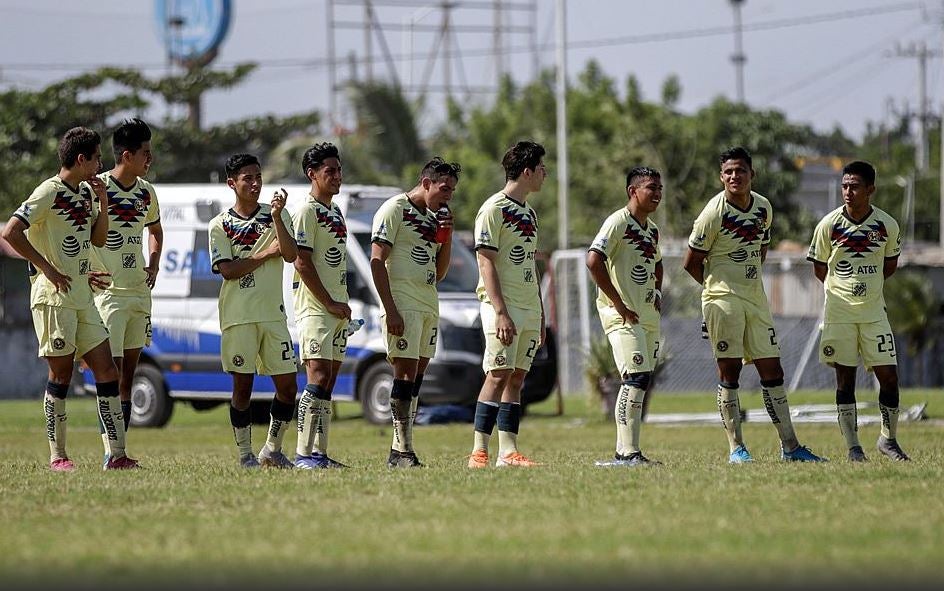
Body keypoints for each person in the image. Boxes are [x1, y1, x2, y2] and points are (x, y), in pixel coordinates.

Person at [2, 126, 137, 470]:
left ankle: (116, 455)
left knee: (107, 370)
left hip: (83, 297)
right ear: (82, 159)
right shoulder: (48, 191)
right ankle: (58, 456)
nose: (100, 165)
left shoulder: (88, 193)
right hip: (53, 298)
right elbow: (11, 232)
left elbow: (99, 240)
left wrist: (104, 202)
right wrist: (45, 267)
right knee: (61, 376)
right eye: (97, 159)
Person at [682, 146, 826, 463]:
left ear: (752, 174)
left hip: (756, 300)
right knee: (729, 371)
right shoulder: (713, 213)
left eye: (741, 170)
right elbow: (691, 262)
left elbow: (761, 248)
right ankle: (736, 448)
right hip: (723, 300)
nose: (735, 176)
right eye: (729, 172)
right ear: (721, 177)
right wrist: (716, 289)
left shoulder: (763, 208)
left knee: (772, 370)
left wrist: (747, 280)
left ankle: (791, 447)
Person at [807, 161, 908, 462]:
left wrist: (867, 287)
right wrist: (844, 290)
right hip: (839, 315)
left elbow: (889, 266)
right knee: (845, 380)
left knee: (889, 377)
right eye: (845, 186)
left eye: (855, 186)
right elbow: (819, 267)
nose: (848, 192)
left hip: (875, 313)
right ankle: (853, 447)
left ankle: (888, 440)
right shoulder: (828, 225)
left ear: (870, 190)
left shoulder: (886, 225)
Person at [208, 154, 298, 469]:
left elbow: (289, 254)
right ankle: (245, 454)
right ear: (232, 183)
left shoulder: (275, 216)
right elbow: (229, 270)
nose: (255, 183)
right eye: (247, 178)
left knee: (288, 387)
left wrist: (276, 217)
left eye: (258, 176)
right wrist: (264, 254)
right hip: (238, 316)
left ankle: (272, 449)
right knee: (242, 387)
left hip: (273, 315)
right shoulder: (219, 225)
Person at [370, 157, 459, 468]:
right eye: (444, 189)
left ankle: (400, 450)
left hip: (427, 303)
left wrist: (447, 237)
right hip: (402, 304)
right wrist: (390, 309)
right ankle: (402, 449)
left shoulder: (435, 218)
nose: (448, 196)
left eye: (452, 191)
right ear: (426, 183)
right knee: (404, 374)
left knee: (418, 376)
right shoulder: (395, 209)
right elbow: (377, 261)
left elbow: (439, 271)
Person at [467, 140, 547, 468]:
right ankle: (478, 451)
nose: (546, 174)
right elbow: (485, 262)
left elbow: (528, 264)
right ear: (526, 171)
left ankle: (508, 452)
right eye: (542, 168)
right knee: (497, 374)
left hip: (529, 307)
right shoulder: (493, 209)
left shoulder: (529, 213)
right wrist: (500, 311)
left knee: (517, 378)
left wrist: (539, 313)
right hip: (502, 307)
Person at [88, 118, 163, 433]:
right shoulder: (96, 188)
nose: (150, 158)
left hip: (138, 293)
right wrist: (84, 271)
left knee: (129, 376)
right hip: (109, 295)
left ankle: (120, 448)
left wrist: (154, 263)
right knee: (111, 373)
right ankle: (110, 448)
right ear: (127, 155)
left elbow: (156, 230)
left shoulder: (146, 192)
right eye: (145, 152)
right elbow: (77, 234)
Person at [586, 167, 664, 466]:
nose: (657, 193)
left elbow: (657, 264)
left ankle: (627, 451)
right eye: (650, 188)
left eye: (659, 188)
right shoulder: (618, 222)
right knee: (635, 377)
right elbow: (593, 260)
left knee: (641, 380)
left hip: (646, 316)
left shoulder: (652, 229)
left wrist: (657, 293)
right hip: (622, 316)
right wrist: (617, 303)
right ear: (633, 191)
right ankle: (626, 453)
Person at [291, 142, 352, 469]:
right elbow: (302, 262)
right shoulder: (306, 211)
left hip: (335, 308)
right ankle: (302, 454)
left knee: (329, 378)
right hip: (315, 308)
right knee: (316, 375)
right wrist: (328, 301)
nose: (337, 176)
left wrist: (342, 301)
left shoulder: (335, 212)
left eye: (339, 170)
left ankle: (320, 453)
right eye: (330, 171)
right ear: (311, 174)